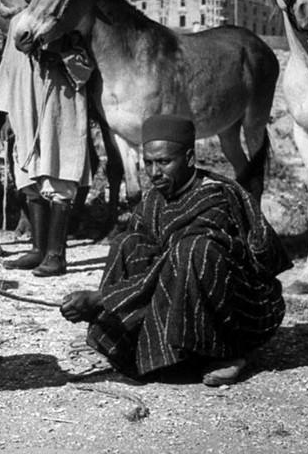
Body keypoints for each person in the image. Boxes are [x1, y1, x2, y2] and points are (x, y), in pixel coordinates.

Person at [60, 115, 291, 386]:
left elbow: (168, 265)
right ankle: (121, 335)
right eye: (149, 163)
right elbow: (144, 257)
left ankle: (226, 354)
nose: (155, 172)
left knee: (194, 250)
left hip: (241, 310)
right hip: (182, 289)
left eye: (164, 162)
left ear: (190, 158)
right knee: (127, 242)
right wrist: (104, 309)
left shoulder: (214, 200)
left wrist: (102, 299)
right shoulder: (154, 199)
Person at [0, 0, 95, 277]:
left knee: (58, 172)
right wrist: (5, 113)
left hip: (58, 107)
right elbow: (7, 70)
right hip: (23, 108)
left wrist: (60, 52)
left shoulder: (66, 20)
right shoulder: (18, 24)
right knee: (28, 176)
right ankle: (36, 249)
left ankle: (57, 255)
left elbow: (85, 71)